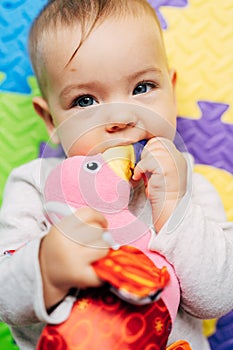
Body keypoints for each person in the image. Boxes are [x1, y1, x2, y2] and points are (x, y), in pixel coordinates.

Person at [0, 0, 232, 349]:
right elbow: (5, 298)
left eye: (142, 88)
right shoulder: (34, 183)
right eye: (85, 101)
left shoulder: (187, 185)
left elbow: (218, 297)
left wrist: (173, 207)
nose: (120, 118)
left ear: (171, 89)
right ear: (51, 121)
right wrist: (44, 267)